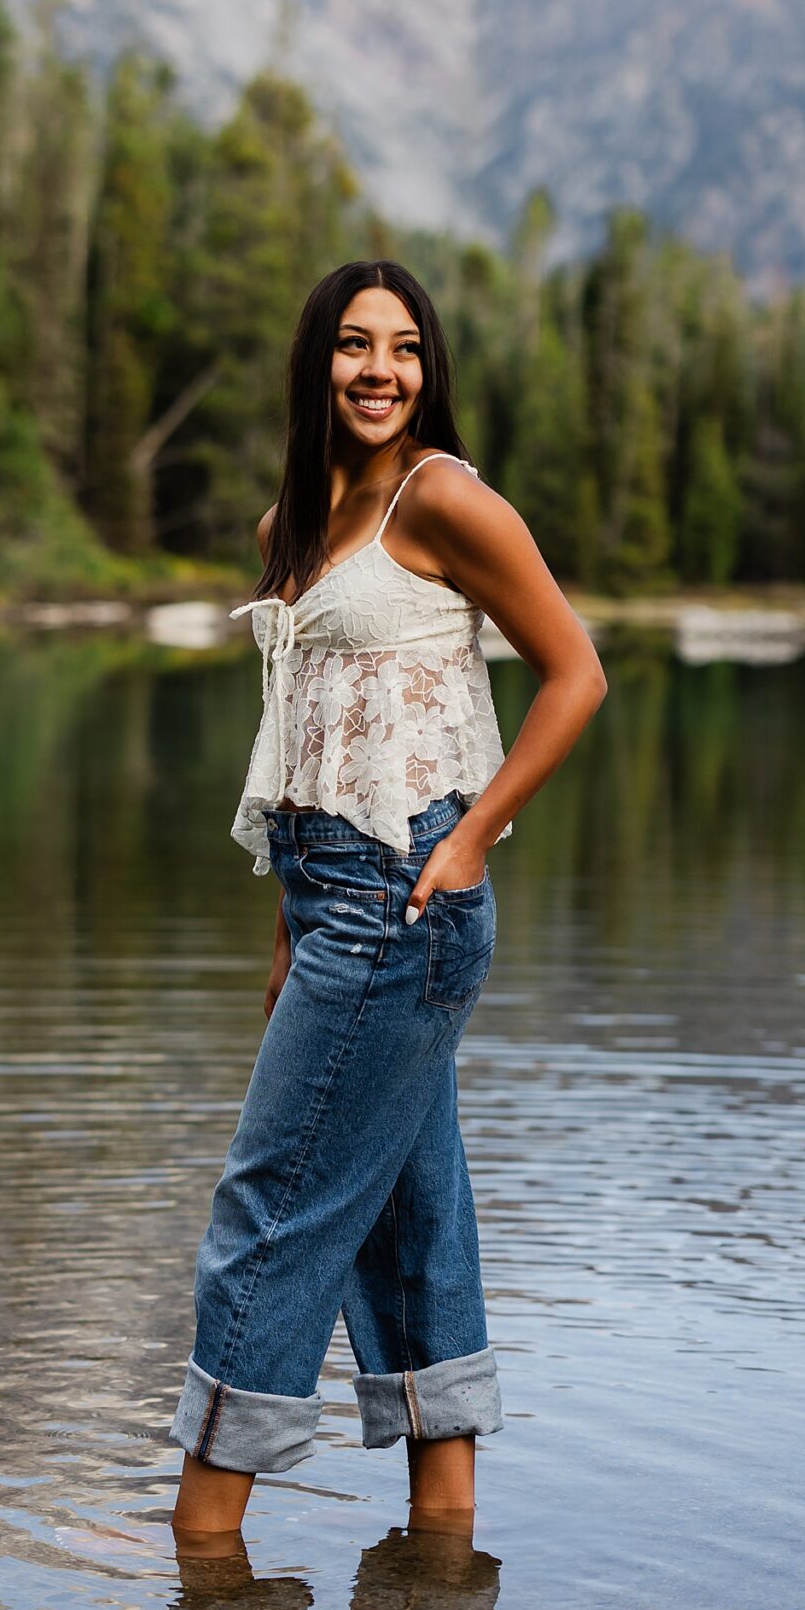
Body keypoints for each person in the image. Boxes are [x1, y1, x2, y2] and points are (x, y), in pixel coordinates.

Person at [170, 260, 606, 1538]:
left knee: (267, 1210)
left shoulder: (445, 497)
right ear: (317, 364)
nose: (380, 371)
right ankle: (444, 1561)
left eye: (405, 348)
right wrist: (281, 932)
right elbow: (302, 737)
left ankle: (201, 1543)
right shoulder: (287, 528)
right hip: (330, 899)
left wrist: (473, 839)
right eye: (356, 346)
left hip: (406, 894)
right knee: (413, 1221)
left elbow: (576, 673)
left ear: (429, 368)